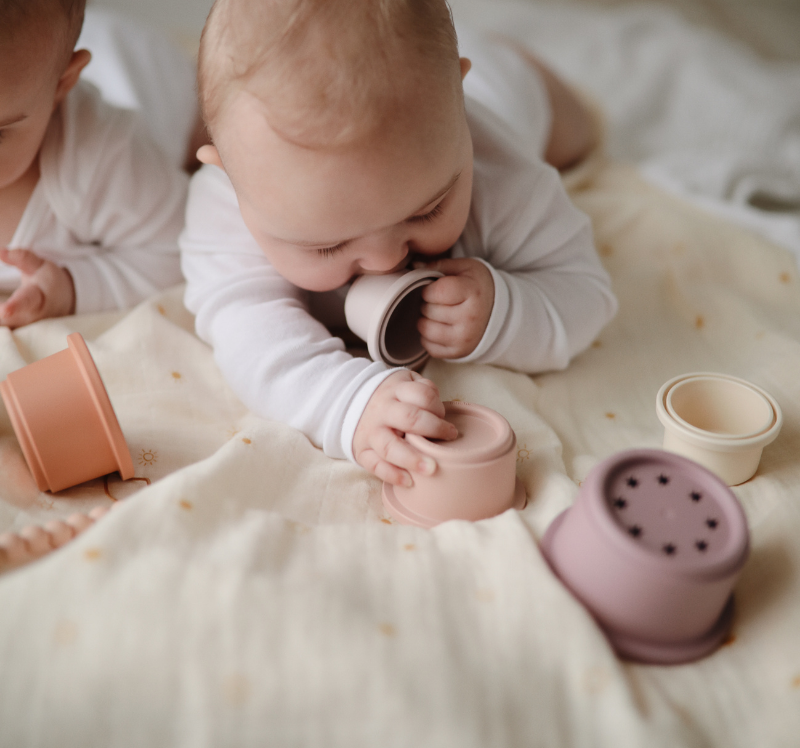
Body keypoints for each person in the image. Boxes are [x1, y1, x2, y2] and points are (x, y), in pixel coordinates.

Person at [181, 0, 618, 489]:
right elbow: (250, 336)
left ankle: (514, 61)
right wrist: (348, 401)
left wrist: (504, 310)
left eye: (427, 210)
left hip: (506, 91)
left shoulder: (505, 177)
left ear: (457, 105)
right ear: (230, 176)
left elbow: (586, 293)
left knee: (574, 130)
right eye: (328, 246)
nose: (387, 259)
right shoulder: (228, 207)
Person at [0, 0, 189, 328]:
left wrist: (71, 288)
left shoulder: (97, 159)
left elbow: (175, 249)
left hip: (143, 70)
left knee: (213, 120)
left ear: (62, 84)